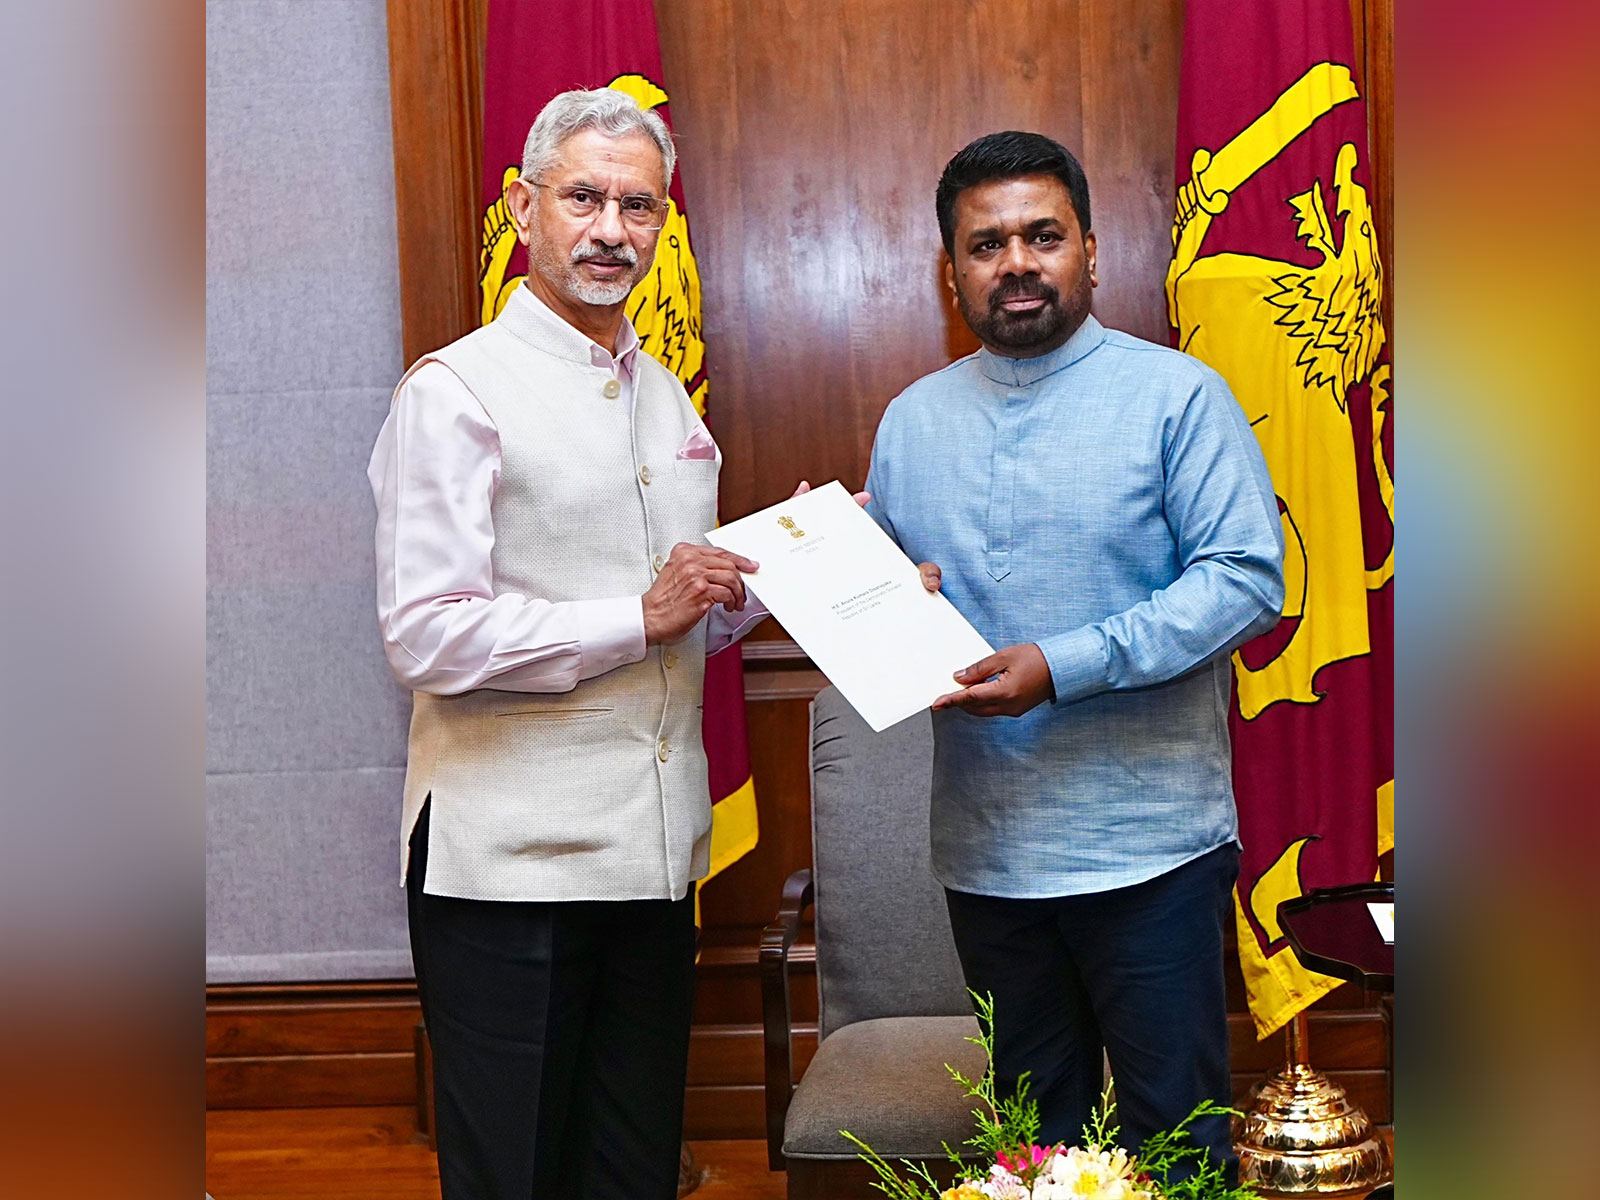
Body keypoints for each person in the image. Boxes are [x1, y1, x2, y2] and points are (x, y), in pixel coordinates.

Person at [367, 88, 769, 1200]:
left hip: (649, 857)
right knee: (518, 1174)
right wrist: (637, 616)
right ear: (522, 206)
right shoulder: (454, 392)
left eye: (638, 207)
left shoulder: (667, 404)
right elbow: (426, 636)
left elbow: (682, 612)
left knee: (630, 1169)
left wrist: (804, 579)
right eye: (582, 196)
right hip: (508, 869)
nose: (609, 230)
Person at [865, 131, 1285, 1178]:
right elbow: (889, 607)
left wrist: (1060, 664)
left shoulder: (1180, 398)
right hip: (990, 857)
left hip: (1151, 853)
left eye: (1042, 235)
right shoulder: (910, 424)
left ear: (1091, 252)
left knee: (1175, 1152)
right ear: (948, 268)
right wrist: (863, 594)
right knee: (1031, 1159)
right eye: (986, 243)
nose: (1016, 262)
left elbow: (1244, 580)